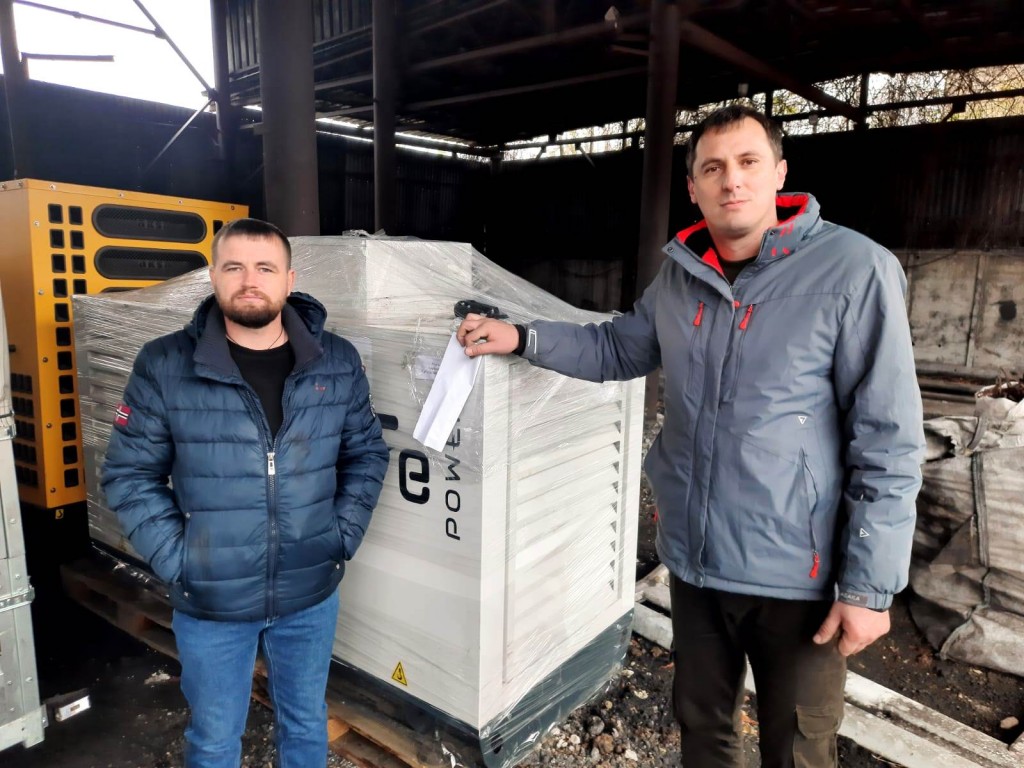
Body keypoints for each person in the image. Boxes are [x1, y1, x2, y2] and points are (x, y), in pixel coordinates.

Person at [456, 104, 924, 768]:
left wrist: (869, 589)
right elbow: (618, 348)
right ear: (693, 187)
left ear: (779, 173)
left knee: (798, 746)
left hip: (800, 575)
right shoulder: (681, 275)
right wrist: (522, 337)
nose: (731, 179)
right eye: (713, 168)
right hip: (697, 562)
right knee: (703, 729)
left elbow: (888, 439)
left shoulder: (853, 270)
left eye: (748, 162)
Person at [102, 217, 390, 768]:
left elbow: (367, 453)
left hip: (310, 593)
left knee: (306, 726)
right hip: (211, 601)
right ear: (213, 276)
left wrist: (339, 537)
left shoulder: (335, 360)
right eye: (234, 267)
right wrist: (182, 560)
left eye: (265, 268)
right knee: (214, 741)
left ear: (289, 280)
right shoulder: (165, 363)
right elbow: (129, 474)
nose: (249, 280)